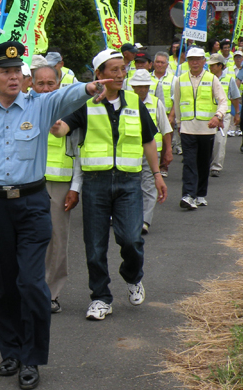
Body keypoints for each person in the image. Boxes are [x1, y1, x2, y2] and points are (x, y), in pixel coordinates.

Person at [0, 41, 106, 390]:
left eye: (18, 72)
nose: (14, 77)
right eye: (6, 72)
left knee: (31, 284)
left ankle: (32, 358)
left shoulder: (40, 105)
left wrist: (90, 87)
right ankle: (11, 351)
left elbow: (67, 96)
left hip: (32, 205)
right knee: (2, 286)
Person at [54, 49, 167, 321]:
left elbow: (148, 140)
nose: (120, 74)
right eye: (113, 70)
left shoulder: (133, 101)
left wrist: (157, 174)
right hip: (96, 182)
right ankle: (101, 298)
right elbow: (62, 128)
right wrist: (55, 123)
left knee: (131, 239)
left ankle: (132, 276)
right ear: (99, 75)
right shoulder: (85, 104)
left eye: (122, 69)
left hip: (129, 182)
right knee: (94, 246)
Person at [31, 65, 78, 314]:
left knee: (58, 239)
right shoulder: (23, 109)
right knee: (27, 238)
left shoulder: (69, 110)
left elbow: (80, 151)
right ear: (31, 84)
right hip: (29, 184)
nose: (46, 88)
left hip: (61, 185)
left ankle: (51, 293)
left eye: (51, 83)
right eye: (41, 83)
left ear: (59, 85)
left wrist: (76, 186)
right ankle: (28, 289)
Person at [173, 47, 228, 209]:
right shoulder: (180, 80)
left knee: (203, 163)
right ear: (187, 61)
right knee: (189, 162)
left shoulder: (212, 79)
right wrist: (178, 124)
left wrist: (217, 116)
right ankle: (188, 195)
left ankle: (201, 194)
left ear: (204, 62)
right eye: (191, 59)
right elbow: (177, 103)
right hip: (187, 129)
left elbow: (223, 101)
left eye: (198, 59)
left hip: (207, 129)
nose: (195, 62)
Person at [128, 69, 172, 233]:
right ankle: (129, 216)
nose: (141, 90)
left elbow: (166, 129)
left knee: (149, 186)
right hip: (130, 153)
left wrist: (168, 150)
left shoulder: (155, 103)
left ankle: (144, 221)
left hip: (151, 154)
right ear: (132, 86)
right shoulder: (125, 102)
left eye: (144, 86)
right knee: (131, 186)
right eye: (138, 86)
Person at [207, 54, 240, 177]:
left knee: (220, 140)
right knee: (207, 140)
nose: (210, 67)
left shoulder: (229, 79)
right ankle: (207, 162)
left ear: (220, 66)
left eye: (213, 65)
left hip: (224, 115)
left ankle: (216, 166)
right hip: (208, 114)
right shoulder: (206, 78)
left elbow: (235, 97)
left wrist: (237, 113)